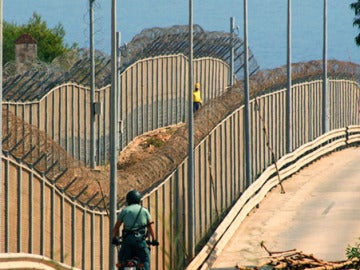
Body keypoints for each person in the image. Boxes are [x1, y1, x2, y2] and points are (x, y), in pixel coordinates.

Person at [112, 189, 158, 270]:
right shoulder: (144, 211)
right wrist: (154, 239)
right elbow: (150, 226)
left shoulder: (125, 210)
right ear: (139, 200)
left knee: (122, 259)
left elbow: (116, 226)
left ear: (128, 200)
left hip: (127, 240)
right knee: (145, 260)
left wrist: (114, 237)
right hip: (140, 241)